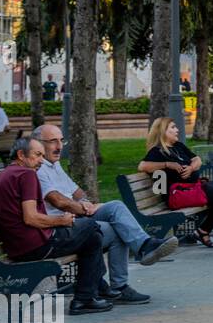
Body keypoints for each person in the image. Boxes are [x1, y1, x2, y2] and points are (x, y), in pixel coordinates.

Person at [33, 123, 176, 304]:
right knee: (117, 229)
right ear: (38, 144)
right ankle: (121, 285)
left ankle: (145, 245)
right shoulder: (39, 170)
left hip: (78, 215)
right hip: (64, 223)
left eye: (61, 141)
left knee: (115, 207)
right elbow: (58, 201)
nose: (59, 146)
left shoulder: (55, 165)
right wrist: (85, 209)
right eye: (53, 142)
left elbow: (76, 191)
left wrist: (87, 203)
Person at [0, 136, 110, 314]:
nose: (41, 161)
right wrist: (62, 221)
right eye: (37, 155)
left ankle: (91, 292)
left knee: (92, 237)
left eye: (43, 156)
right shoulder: (27, 174)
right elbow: (31, 218)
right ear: (21, 155)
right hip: (35, 246)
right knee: (91, 226)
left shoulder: (0, 177)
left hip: (15, 246)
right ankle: (87, 296)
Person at [140, 117, 213, 250]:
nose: (177, 130)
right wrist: (167, 164)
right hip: (178, 195)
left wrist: (191, 168)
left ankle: (204, 232)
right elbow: (142, 166)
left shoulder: (178, 146)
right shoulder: (157, 151)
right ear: (162, 131)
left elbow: (197, 159)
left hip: (193, 189)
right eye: (173, 127)